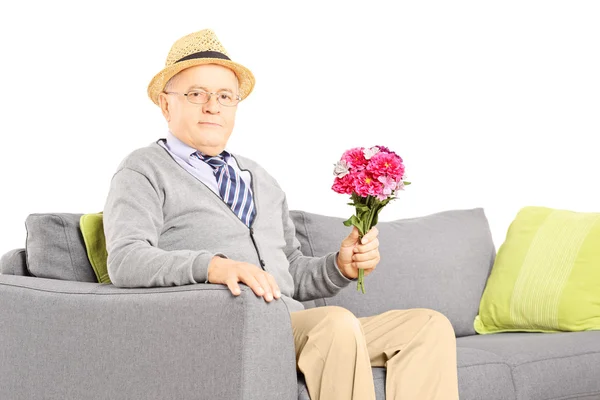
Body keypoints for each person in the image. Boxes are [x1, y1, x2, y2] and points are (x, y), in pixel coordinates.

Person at [103, 28, 459, 400]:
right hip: (231, 327)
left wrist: (340, 266)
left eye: (225, 96)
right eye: (196, 94)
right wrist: (214, 267)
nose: (213, 106)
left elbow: (290, 270)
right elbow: (126, 260)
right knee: (335, 325)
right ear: (166, 104)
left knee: (427, 326)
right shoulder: (143, 170)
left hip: (292, 323)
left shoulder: (260, 179)